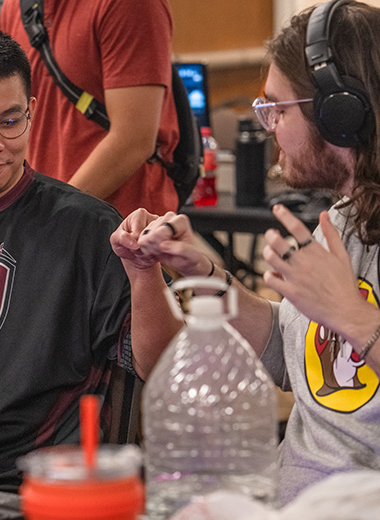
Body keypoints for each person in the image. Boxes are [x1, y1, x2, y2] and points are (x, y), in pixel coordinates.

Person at [110, 0, 380, 507]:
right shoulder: (341, 220)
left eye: (278, 108)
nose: (267, 124)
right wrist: (207, 275)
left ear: (340, 115)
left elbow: (350, 324)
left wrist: (354, 317)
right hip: (289, 500)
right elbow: (290, 357)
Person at [0, 25, 175, 491]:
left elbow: (168, 364)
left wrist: (144, 274)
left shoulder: (87, 229)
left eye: (9, 122)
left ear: (31, 111)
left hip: (14, 487)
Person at [0, 0, 180, 217]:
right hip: (42, 218)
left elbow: (133, 140)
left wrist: (51, 215)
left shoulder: (129, 5)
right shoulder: (15, 6)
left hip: (121, 226)